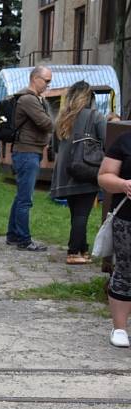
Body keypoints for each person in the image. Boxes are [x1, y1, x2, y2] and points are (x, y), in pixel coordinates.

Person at [51, 81, 105, 265]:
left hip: (65, 173)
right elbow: (107, 142)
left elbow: (55, 147)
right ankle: (74, 252)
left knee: (77, 214)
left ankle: (83, 250)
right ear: (89, 97)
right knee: (82, 214)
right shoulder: (95, 116)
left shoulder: (61, 118)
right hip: (86, 169)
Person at [6, 65, 54, 252]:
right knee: (26, 199)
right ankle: (24, 240)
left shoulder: (33, 99)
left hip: (28, 151)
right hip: (26, 152)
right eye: (46, 81)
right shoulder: (28, 99)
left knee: (21, 197)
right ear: (35, 79)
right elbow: (46, 123)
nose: (48, 85)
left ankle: (13, 235)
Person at [98, 132, 131, 347]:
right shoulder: (125, 141)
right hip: (128, 219)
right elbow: (104, 176)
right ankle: (119, 328)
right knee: (126, 270)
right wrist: (124, 185)